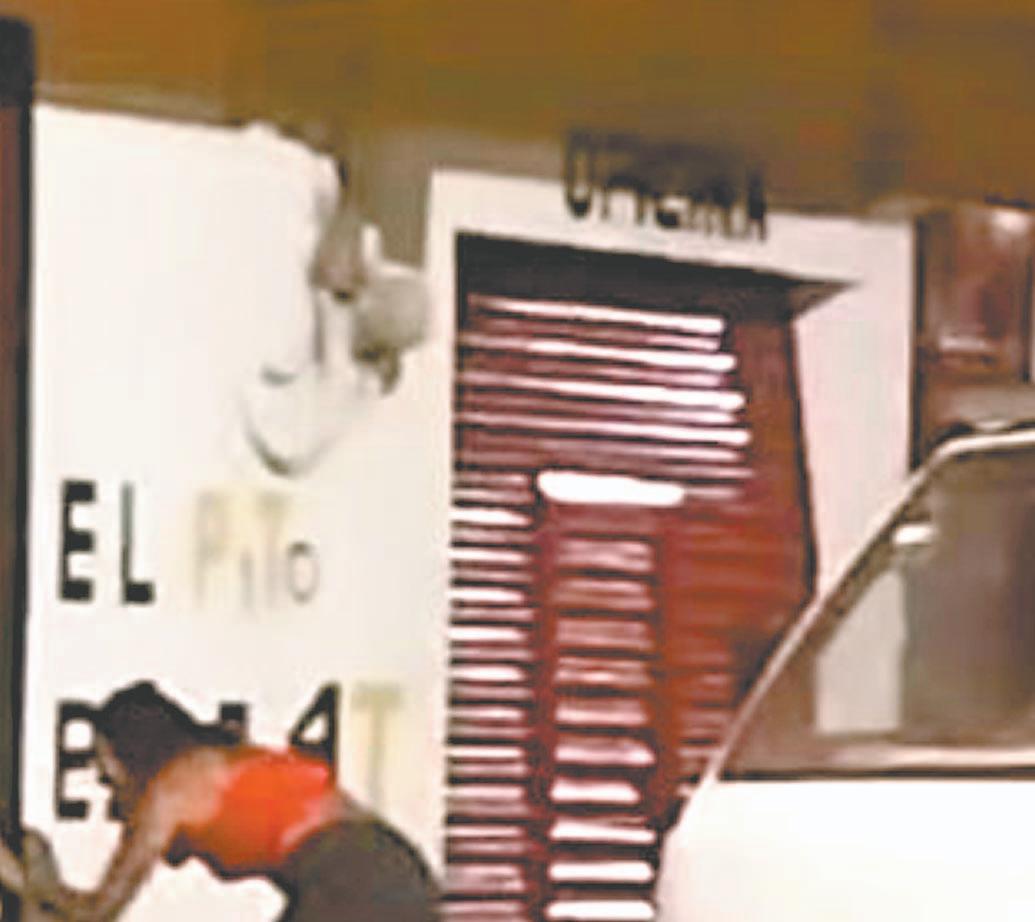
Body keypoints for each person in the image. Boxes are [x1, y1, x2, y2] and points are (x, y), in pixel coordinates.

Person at [2, 681, 440, 922]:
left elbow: (99, 912)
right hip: (398, 869)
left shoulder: (170, 792)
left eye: (106, 766)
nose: (106, 780)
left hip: (347, 878)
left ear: (129, 753)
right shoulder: (221, 759)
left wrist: (23, 878)